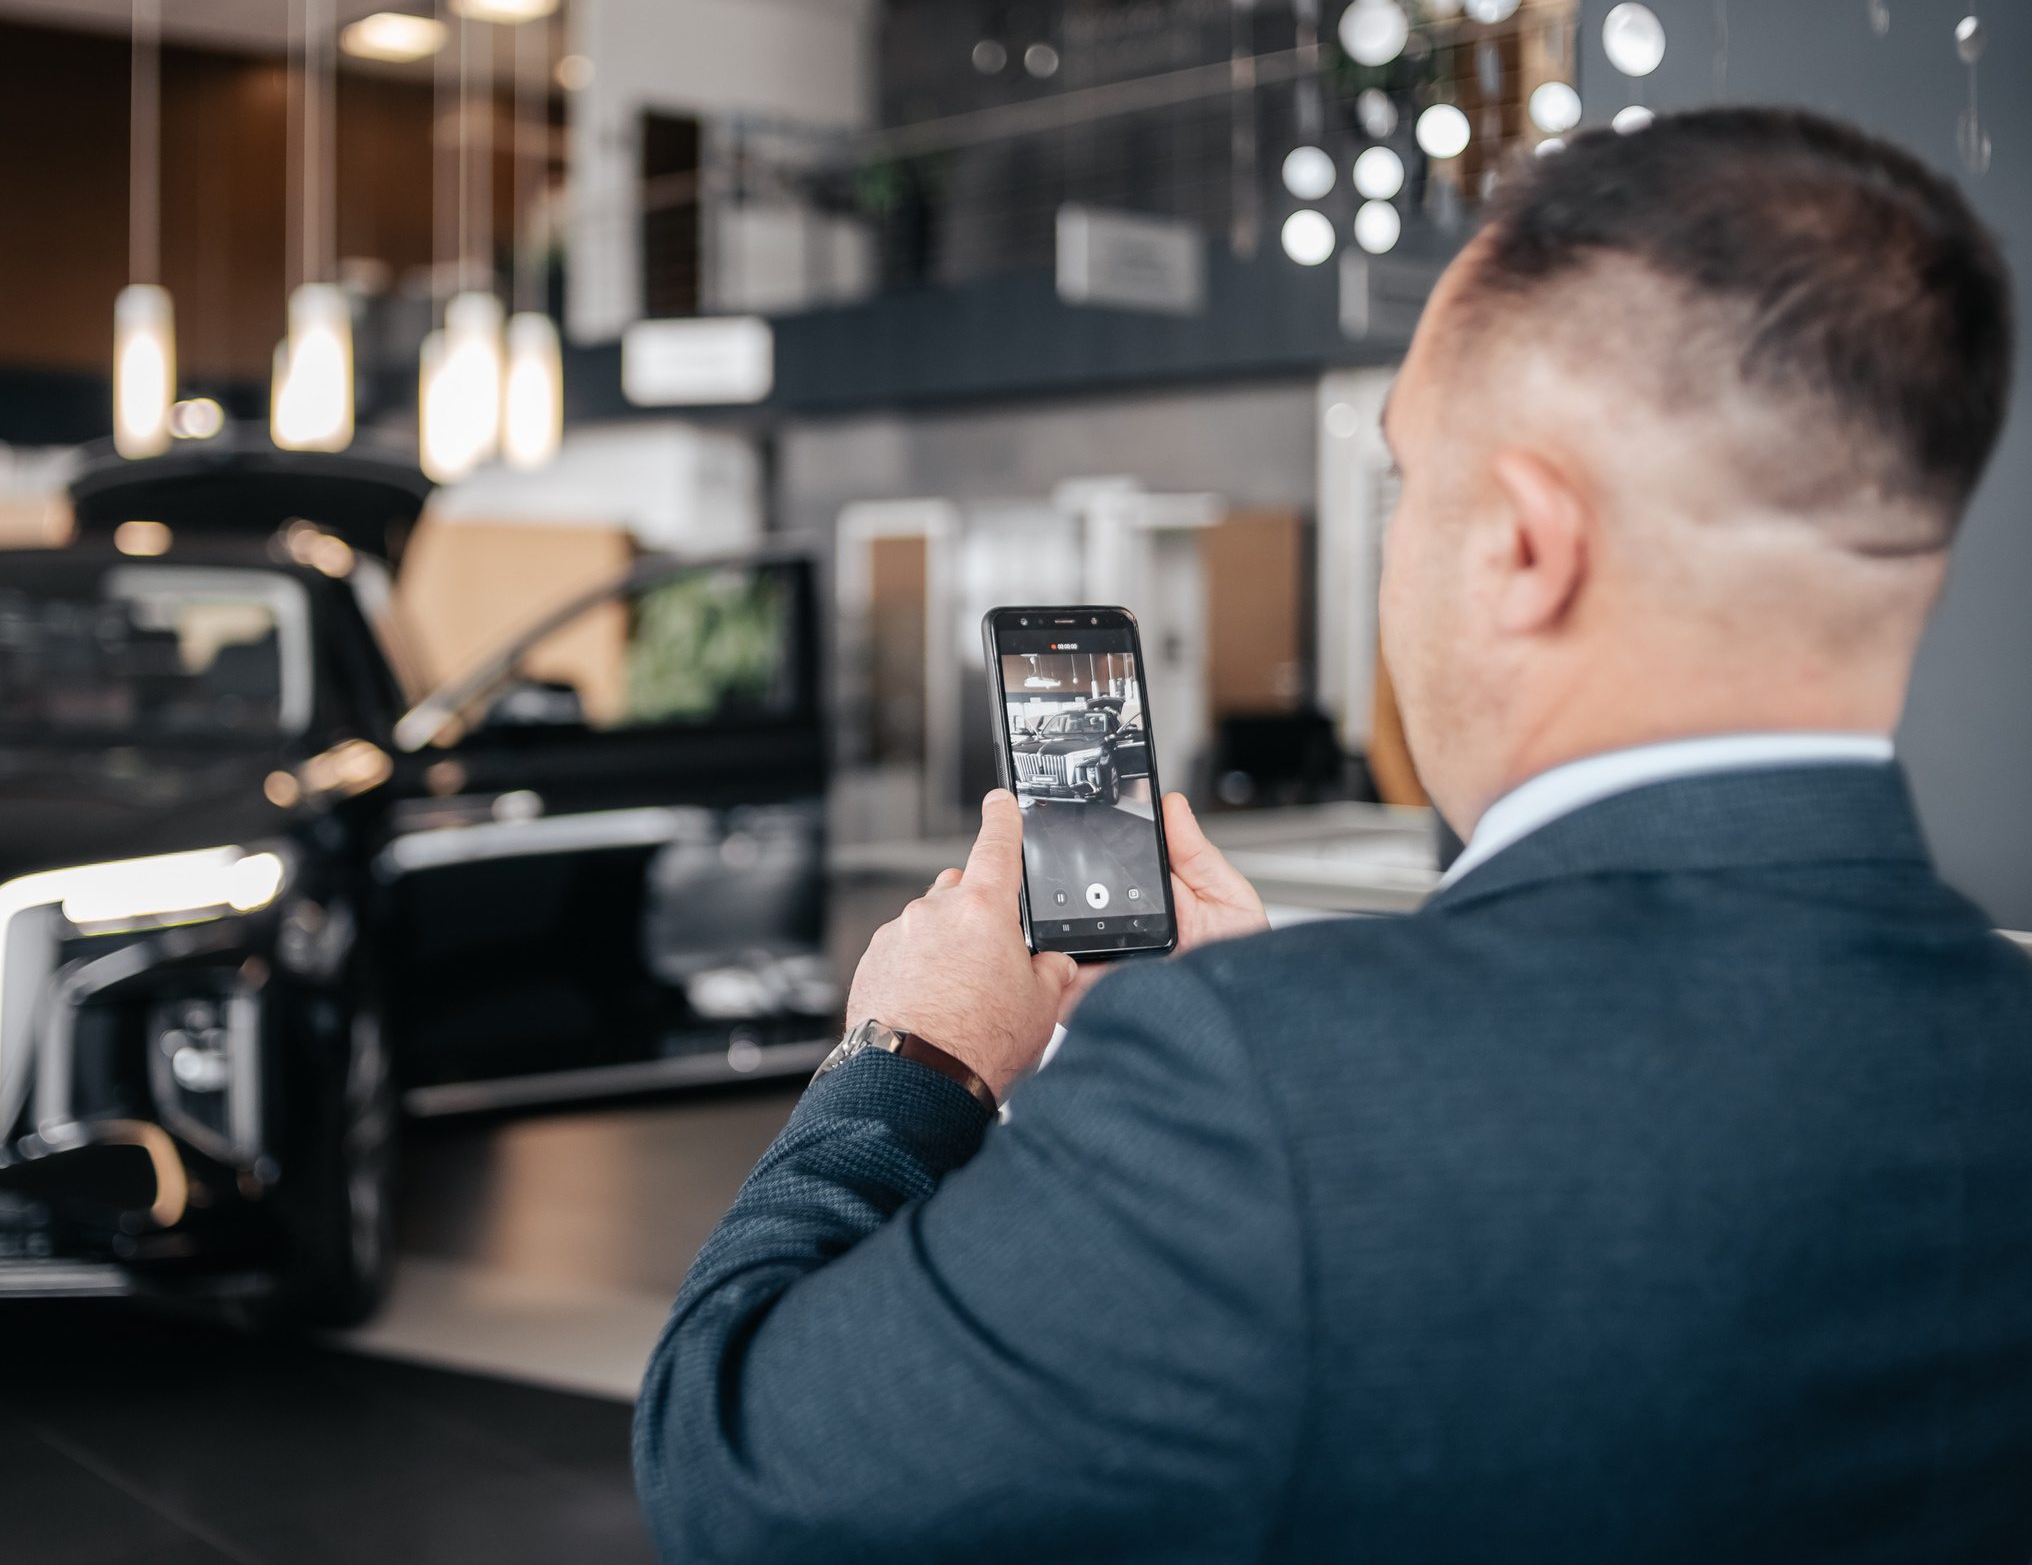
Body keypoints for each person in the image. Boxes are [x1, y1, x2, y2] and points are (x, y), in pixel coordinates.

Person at [632, 109, 2032, 1563]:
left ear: (1523, 545)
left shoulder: (1262, 1101)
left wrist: (915, 1059)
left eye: (1409, 483)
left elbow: (737, 1477)